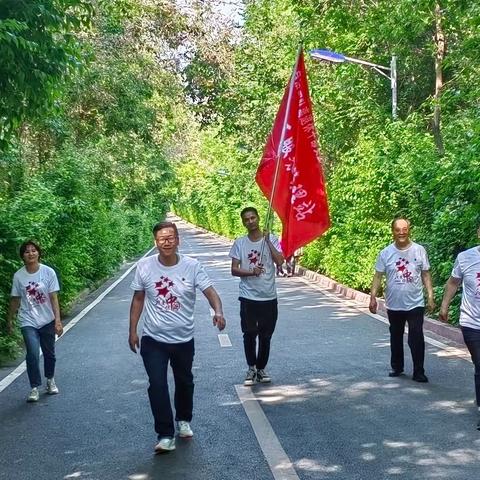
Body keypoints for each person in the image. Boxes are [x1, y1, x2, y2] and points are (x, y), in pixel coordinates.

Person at [129, 221, 226, 454]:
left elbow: (210, 292)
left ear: (178, 240)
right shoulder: (144, 267)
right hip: (154, 339)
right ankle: (164, 434)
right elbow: (138, 299)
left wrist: (218, 311)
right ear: (156, 242)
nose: (167, 242)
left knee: (184, 381)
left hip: (183, 338)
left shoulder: (192, 266)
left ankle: (183, 419)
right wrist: (133, 330)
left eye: (171, 237)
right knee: (158, 385)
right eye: (162, 238)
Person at [369, 218, 435, 382]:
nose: (401, 233)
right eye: (398, 230)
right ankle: (397, 366)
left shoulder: (419, 250)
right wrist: (372, 297)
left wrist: (430, 296)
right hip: (394, 303)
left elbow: (426, 274)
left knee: (416, 337)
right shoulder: (386, 253)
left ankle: (419, 371)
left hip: (415, 302)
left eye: (404, 229)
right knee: (395, 335)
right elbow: (378, 276)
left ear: (409, 230)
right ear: (393, 231)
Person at [229, 207, 284, 386]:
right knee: (249, 334)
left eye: (253, 217)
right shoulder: (240, 243)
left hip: (268, 296)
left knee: (266, 336)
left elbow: (280, 261)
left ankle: (261, 368)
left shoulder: (272, 239)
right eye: (247, 219)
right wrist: (251, 272)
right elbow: (234, 269)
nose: (250, 221)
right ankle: (251, 367)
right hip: (248, 297)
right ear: (243, 222)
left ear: (259, 218)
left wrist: (268, 242)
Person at [6, 240, 63, 402]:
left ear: (38, 253)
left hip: (47, 320)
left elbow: (53, 298)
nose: (30, 254)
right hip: (27, 319)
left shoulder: (48, 272)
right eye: (26, 251)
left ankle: (50, 380)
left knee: (49, 353)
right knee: (32, 353)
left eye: (33, 250)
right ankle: (34, 387)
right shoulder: (19, 276)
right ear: (22, 256)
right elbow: (15, 299)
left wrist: (58, 321)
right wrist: (10, 319)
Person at [439, 223, 480, 429]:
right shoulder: (466, 257)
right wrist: (444, 305)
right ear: (479, 232)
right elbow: (454, 282)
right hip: (472, 322)